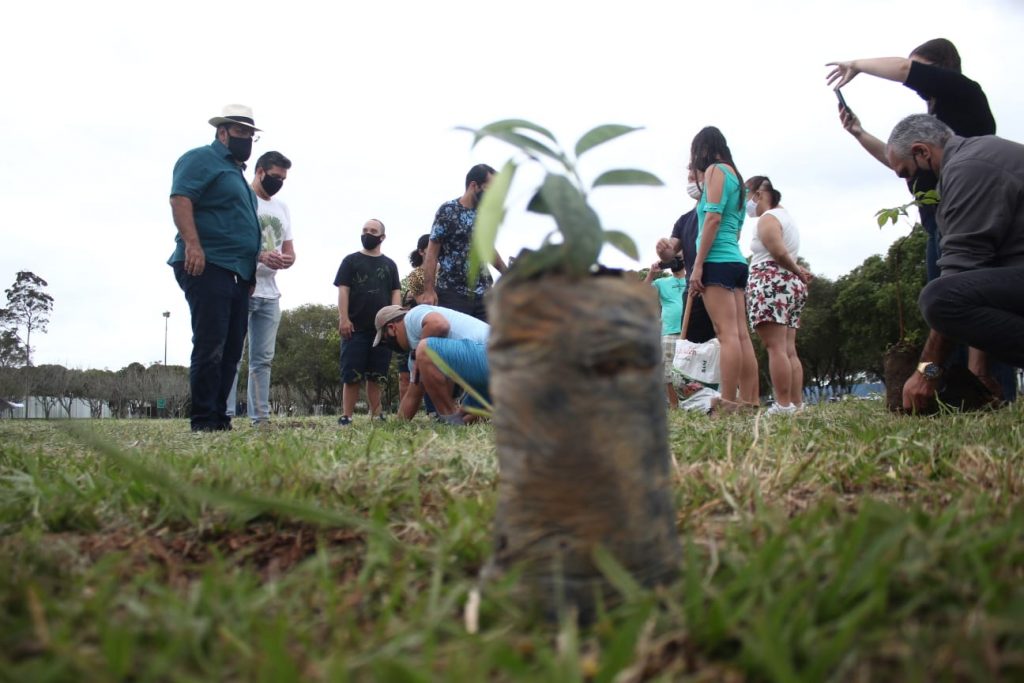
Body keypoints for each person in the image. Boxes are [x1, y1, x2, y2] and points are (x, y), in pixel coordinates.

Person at [827, 38, 1014, 400]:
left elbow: (901, 70)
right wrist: (859, 133)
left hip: (971, 219)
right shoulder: (928, 130)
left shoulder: (964, 97)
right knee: (944, 306)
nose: (914, 81)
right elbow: (898, 162)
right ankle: (961, 392)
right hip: (937, 224)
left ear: (941, 69)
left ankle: (988, 388)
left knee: (960, 298)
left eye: (921, 69)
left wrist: (857, 64)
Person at [883, 114, 1024, 412]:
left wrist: (926, 373)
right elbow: (981, 283)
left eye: (906, 173)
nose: (910, 182)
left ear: (922, 151)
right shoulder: (979, 154)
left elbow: (957, 284)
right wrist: (980, 371)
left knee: (939, 298)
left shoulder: (967, 170)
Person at [168, 104, 261, 432]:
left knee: (232, 349)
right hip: (207, 264)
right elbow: (181, 198)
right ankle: (204, 420)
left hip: (238, 273)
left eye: (251, 134)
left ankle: (220, 418)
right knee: (211, 343)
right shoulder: (200, 159)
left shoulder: (236, 174)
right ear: (222, 132)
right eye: (240, 132)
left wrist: (249, 272)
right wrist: (193, 244)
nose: (246, 138)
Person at [687, 127, 759, 413]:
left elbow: (713, 218)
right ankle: (750, 400)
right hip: (736, 260)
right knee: (741, 334)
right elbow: (737, 227)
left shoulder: (716, 170)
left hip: (716, 260)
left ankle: (727, 401)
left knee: (726, 334)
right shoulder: (738, 179)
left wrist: (698, 264)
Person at [225, 151, 295, 426]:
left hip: (270, 293)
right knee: (232, 355)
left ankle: (260, 419)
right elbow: (231, 239)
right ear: (259, 171)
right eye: (275, 176)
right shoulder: (244, 198)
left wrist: (286, 259)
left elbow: (289, 248)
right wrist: (260, 255)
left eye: (283, 178)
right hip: (242, 286)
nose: (279, 182)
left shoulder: (282, 207)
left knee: (262, 360)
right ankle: (225, 415)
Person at [744, 176, 813, 415]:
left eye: (746, 196)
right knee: (788, 348)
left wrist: (797, 271)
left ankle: (783, 404)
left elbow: (778, 251)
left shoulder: (768, 218)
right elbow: (786, 254)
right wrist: (798, 272)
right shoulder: (787, 218)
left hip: (771, 282)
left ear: (759, 194)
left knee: (775, 347)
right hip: (788, 284)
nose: (746, 204)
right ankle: (796, 404)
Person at [333, 219, 401, 425]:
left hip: (382, 330)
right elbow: (343, 290)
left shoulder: (390, 265)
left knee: (376, 375)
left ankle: (376, 414)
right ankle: (347, 416)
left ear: (382, 237)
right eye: (364, 230)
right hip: (354, 328)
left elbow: (395, 293)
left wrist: (395, 321)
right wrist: (343, 318)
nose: (367, 234)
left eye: (372, 231)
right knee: (351, 374)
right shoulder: (350, 261)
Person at [374, 304, 490, 425]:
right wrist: (397, 425)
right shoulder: (416, 356)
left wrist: (421, 353)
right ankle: (457, 421)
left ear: (392, 328)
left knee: (424, 349)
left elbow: (439, 324)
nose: (387, 345)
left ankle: (450, 420)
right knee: (466, 417)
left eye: (384, 340)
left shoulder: (412, 316)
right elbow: (413, 396)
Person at [420, 164, 507, 321]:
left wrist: (508, 273)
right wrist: (429, 290)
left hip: (484, 294)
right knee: (453, 343)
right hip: (453, 294)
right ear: (474, 185)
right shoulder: (447, 211)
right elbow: (432, 254)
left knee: (487, 341)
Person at [656, 166, 715, 344]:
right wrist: (663, 249)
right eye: (688, 177)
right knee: (692, 344)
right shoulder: (684, 220)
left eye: (695, 175)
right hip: (694, 288)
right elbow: (670, 253)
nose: (690, 179)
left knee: (725, 337)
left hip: (717, 279)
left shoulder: (717, 213)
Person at [644, 259, 687, 408]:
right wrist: (651, 273)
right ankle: (674, 406)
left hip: (691, 331)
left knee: (690, 369)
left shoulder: (693, 278)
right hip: (669, 331)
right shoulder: (662, 282)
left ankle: (693, 403)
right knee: (668, 371)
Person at [397, 234, 432, 410]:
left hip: (434, 325)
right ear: (421, 251)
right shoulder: (416, 275)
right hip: (415, 327)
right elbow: (424, 303)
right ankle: (406, 410)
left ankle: (435, 410)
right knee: (407, 373)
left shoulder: (448, 272)